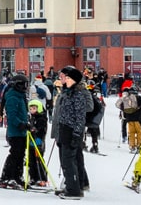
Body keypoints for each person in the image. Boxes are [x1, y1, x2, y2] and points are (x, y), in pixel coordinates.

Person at [52, 66, 93, 199]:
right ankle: (71, 185)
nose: (63, 79)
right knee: (66, 160)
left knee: (71, 160)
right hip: (63, 129)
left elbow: (81, 115)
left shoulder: (78, 93)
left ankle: (75, 187)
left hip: (71, 130)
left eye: (67, 77)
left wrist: (76, 133)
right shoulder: (66, 92)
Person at [121, 87, 141, 153]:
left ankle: (132, 146)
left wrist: (125, 115)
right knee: (139, 133)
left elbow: (122, 107)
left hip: (129, 119)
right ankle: (139, 146)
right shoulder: (140, 98)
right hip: (138, 119)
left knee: (131, 133)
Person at [87, 88, 107, 154]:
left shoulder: (91, 97)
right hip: (96, 118)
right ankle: (95, 145)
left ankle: (83, 143)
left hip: (90, 117)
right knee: (94, 131)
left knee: (84, 129)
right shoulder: (97, 98)